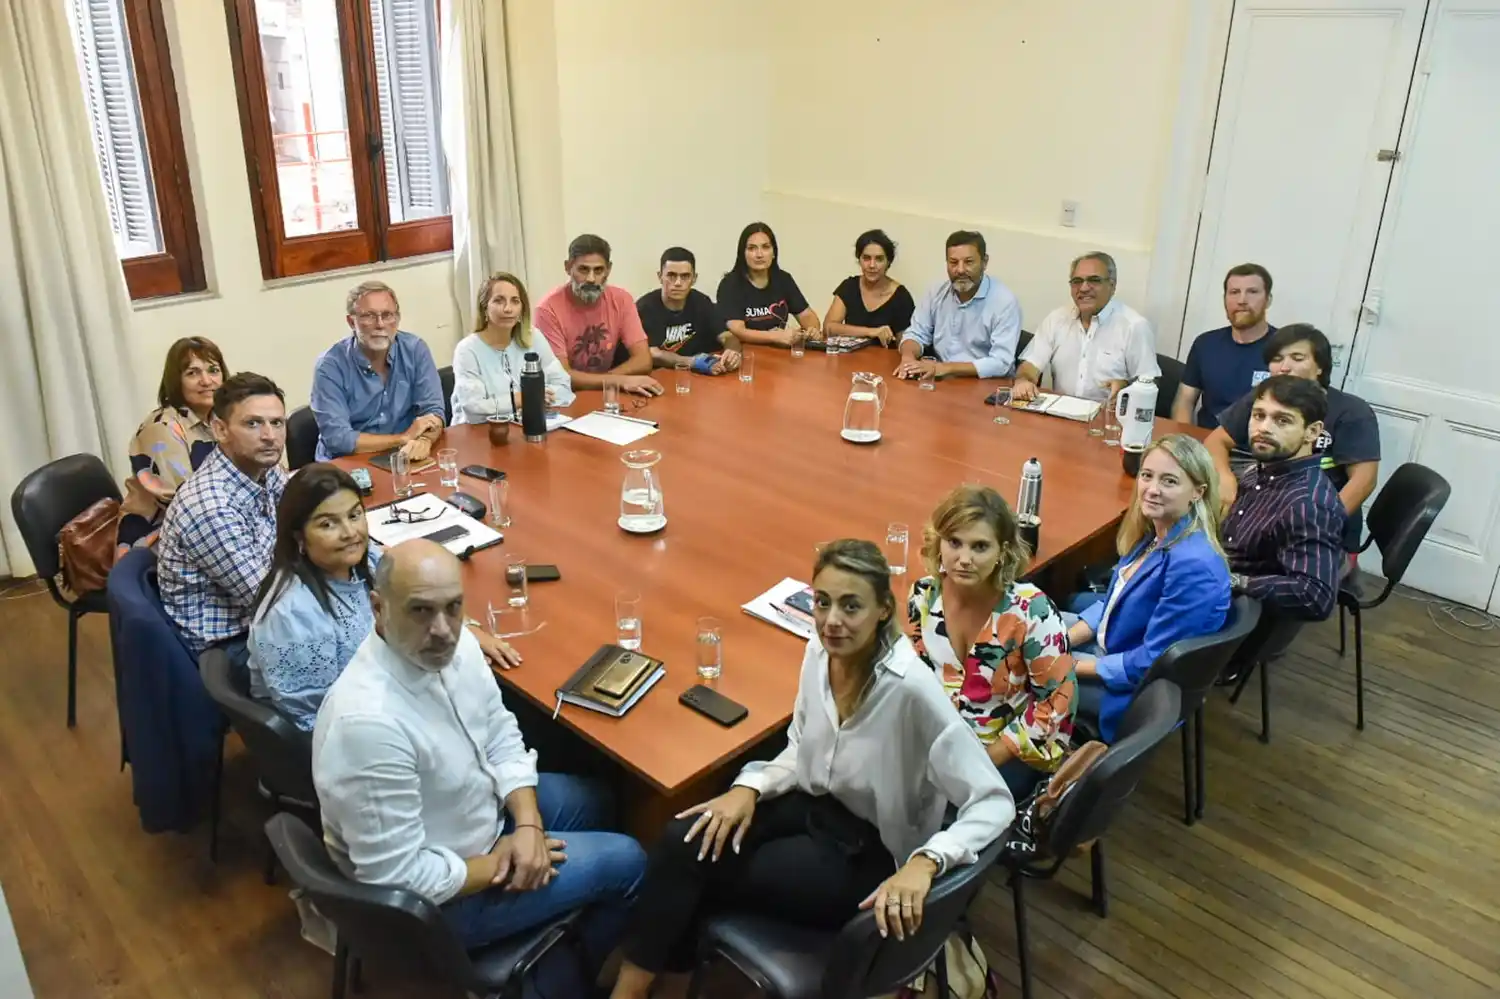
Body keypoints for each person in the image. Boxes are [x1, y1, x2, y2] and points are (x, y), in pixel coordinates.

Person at [610, 540, 1012, 999]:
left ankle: (655, 989)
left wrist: (926, 861)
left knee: (701, 872)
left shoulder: (911, 692)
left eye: (850, 606)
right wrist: (750, 787)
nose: (831, 620)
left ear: (883, 609)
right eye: (823, 602)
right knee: (686, 838)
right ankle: (637, 989)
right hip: (813, 807)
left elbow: (994, 802)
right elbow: (802, 749)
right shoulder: (818, 653)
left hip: (870, 853)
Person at [313, 540, 645, 995]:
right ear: (378, 608)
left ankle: (556, 944)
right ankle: (560, 976)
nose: (444, 629)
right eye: (421, 611)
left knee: (599, 799)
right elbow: (400, 880)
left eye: (453, 607)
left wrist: (527, 827)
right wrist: (501, 865)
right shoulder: (367, 726)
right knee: (630, 863)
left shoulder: (457, 645)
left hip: (478, 819)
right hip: (441, 901)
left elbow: (500, 733)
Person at [249, 465, 527, 732]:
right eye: (327, 524)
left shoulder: (367, 559)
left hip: (399, 691)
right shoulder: (291, 614)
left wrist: (470, 629)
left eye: (355, 515)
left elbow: (422, 594)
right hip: (358, 736)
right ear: (299, 537)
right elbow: (318, 717)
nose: (350, 533)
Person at [908, 485, 1077, 800]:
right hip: (944, 737)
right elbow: (922, 674)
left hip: (1013, 750)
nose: (964, 559)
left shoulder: (1031, 612)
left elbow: (1058, 705)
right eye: (954, 543)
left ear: (1003, 551)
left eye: (980, 546)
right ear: (938, 542)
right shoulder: (923, 596)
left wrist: (982, 761)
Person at [1066, 435, 1232, 742]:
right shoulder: (1157, 533)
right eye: (1147, 476)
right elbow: (1113, 601)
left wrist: (1068, 664)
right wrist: (1063, 640)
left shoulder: (1194, 566)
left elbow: (1152, 662)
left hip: (1130, 693)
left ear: (1198, 491)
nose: (1152, 490)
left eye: (1169, 481)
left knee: (1019, 668)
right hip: (1114, 645)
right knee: (1024, 627)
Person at [1206, 323, 1379, 556]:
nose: (1285, 367)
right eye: (1277, 359)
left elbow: (1364, 481)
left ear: (1320, 367)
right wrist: (1225, 479)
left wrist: (1319, 525)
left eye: (1297, 358)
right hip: (1260, 508)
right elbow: (1216, 440)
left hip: (1317, 525)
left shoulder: (1352, 411)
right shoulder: (1265, 397)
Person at [157, 373, 289, 666]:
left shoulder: (266, 470)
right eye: (252, 423)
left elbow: (307, 519)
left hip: (262, 614)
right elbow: (271, 603)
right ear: (220, 430)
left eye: (277, 423)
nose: (270, 436)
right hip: (230, 646)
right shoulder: (210, 507)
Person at [1220, 376, 1346, 621]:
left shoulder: (1307, 505)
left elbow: (1316, 595)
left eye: (1282, 420)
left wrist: (1232, 580)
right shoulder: (1266, 469)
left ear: (1312, 432)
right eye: (1258, 415)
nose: (1264, 428)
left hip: (1228, 611)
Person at [310, 281, 446, 462]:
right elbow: (338, 439)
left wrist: (424, 440)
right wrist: (403, 438)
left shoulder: (415, 350)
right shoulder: (330, 366)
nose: (380, 324)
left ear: (397, 319)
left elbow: (433, 411)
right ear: (352, 322)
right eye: (369, 316)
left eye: (387, 315)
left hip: (403, 456)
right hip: (347, 462)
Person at [120, 337, 228, 548]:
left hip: (213, 521)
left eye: (213, 370)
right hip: (161, 534)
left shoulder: (219, 418)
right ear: (175, 380)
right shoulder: (161, 428)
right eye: (192, 373)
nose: (207, 381)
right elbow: (186, 502)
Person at [1013, 251, 1159, 404]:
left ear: (1112, 285)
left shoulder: (1134, 326)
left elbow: (1150, 382)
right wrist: (1024, 380)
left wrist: (1127, 388)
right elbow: (1030, 364)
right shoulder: (1057, 319)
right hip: (1060, 415)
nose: (1083, 288)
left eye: (1094, 280)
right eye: (1077, 281)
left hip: (1109, 419)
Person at [536, 233, 663, 396]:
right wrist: (618, 381)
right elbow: (561, 376)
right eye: (583, 269)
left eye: (598, 270)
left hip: (603, 394)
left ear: (608, 270)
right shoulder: (547, 309)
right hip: (562, 398)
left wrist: (608, 381)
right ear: (568, 267)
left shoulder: (622, 299)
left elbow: (643, 360)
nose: (591, 278)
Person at [895, 230, 1021, 381]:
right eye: (953, 262)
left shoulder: (1004, 302)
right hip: (942, 381)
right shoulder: (936, 292)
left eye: (968, 262)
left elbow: (1001, 362)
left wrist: (946, 368)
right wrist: (908, 359)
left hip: (985, 384)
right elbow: (916, 333)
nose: (960, 270)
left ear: (984, 262)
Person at [450, 271, 575, 424]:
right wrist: (524, 398)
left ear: (522, 308)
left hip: (524, 427)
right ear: (484, 308)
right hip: (476, 435)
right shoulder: (467, 350)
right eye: (499, 301)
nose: (508, 309)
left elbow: (563, 385)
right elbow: (474, 408)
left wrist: (539, 399)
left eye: (515, 301)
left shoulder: (533, 337)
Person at [1172, 263, 1275, 429]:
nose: (1242, 300)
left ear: (1268, 300)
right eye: (1234, 292)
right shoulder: (1205, 344)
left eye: (1252, 292)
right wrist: (1184, 444)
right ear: (1225, 299)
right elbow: (1184, 401)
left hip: (1258, 449)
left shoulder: (1284, 349)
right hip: (1206, 443)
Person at [635, 247, 742, 376]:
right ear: (660, 277)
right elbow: (651, 353)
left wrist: (732, 352)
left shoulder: (701, 302)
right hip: (662, 377)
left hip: (699, 379)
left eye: (685, 276)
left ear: (694, 278)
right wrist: (693, 362)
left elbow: (727, 336)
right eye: (671, 275)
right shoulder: (644, 308)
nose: (678, 283)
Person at [714, 222, 822, 348]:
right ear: (742, 254)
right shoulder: (730, 284)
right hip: (747, 355)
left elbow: (807, 315)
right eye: (752, 248)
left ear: (774, 252)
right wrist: (775, 336)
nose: (759, 255)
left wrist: (812, 329)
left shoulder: (783, 279)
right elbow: (738, 331)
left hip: (781, 355)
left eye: (765, 247)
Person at [822, 229, 916, 348]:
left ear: (888, 262)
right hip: (848, 361)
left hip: (884, 363)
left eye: (879, 259)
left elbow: (906, 345)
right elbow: (828, 328)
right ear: (859, 260)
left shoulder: (901, 297)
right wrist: (871, 332)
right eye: (866, 258)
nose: (872, 265)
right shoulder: (849, 286)